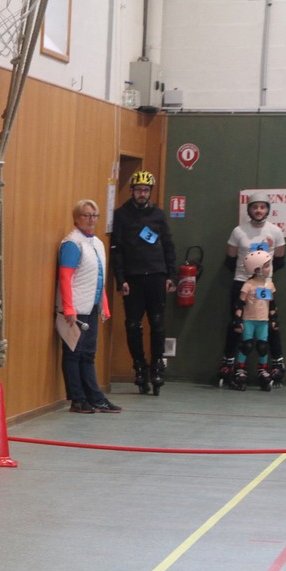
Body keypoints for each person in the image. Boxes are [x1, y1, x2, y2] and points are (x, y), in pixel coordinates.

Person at [110, 170, 177, 395]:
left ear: (150, 192)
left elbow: (168, 245)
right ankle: (139, 366)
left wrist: (171, 275)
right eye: (138, 189)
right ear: (132, 191)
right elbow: (117, 250)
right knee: (132, 324)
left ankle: (157, 366)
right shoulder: (121, 215)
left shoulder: (158, 214)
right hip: (133, 278)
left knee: (157, 323)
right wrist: (120, 279)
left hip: (157, 275)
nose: (142, 193)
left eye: (146, 190)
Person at [217, 191, 286, 387]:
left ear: (267, 210)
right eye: (255, 207)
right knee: (236, 323)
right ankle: (229, 363)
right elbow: (230, 259)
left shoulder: (275, 231)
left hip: (265, 284)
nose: (258, 210)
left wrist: (262, 277)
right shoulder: (239, 231)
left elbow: (280, 260)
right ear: (249, 210)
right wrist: (248, 276)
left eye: (262, 207)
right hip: (242, 281)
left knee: (270, 323)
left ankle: (276, 363)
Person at [57, 199, 120, 413]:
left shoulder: (98, 244)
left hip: (91, 307)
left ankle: (95, 397)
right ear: (76, 218)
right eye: (86, 215)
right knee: (73, 353)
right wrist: (69, 308)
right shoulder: (72, 243)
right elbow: (65, 277)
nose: (91, 219)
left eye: (95, 215)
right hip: (76, 309)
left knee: (88, 354)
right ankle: (77, 399)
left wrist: (104, 305)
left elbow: (99, 277)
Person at [229, 250, 277, 391]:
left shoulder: (269, 285)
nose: (269, 269)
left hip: (263, 321)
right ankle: (239, 369)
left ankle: (263, 369)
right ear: (257, 269)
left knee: (263, 347)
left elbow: (272, 304)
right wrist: (238, 320)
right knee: (247, 345)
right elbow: (240, 303)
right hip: (249, 320)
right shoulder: (248, 284)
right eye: (266, 266)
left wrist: (274, 318)